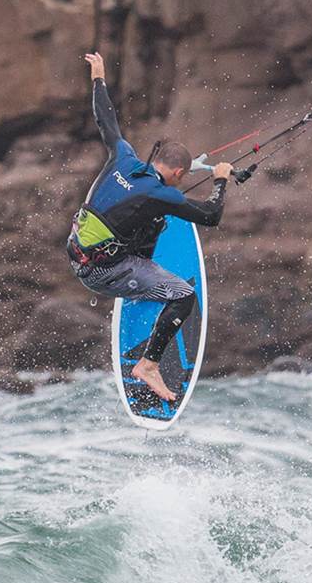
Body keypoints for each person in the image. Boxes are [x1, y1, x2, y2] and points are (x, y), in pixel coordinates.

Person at [66, 50, 230, 403]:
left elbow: (105, 118)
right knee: (183, 296)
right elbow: (211, 215)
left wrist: (98, 77)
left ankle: (140, 272)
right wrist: (221, 179)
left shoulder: (124, 156)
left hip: (75, 249)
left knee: (153, 217)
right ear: (179, 173)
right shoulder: (160, 194)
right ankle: (148, 365)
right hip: (100, 272)